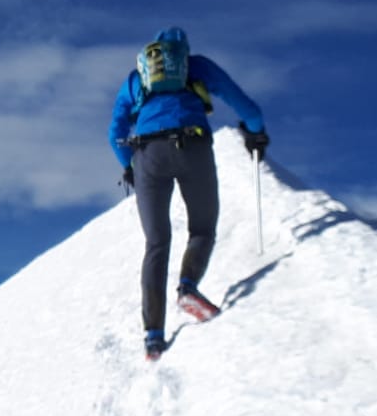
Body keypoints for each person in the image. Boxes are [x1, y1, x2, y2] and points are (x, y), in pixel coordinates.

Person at [108, 26, 268, 361]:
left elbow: (115, 132)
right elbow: (243, 104)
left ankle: (153, 336)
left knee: (156, 242)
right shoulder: (197, 66)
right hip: (192, 146)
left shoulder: (134, 80)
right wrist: (255, 132)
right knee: (202, 227)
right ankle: (188, 287)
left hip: (147, 155)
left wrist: (129, 166)